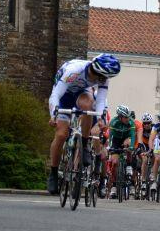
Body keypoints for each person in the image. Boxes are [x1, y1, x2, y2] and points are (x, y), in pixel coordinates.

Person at [47, 53, 121, 194]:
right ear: (97, 71)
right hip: (63, 95)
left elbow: (100, 100)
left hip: (81, 92)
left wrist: (100, 118)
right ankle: (54, 172)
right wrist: (53, 116)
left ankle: (85, 143)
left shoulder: (103, 77)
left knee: (88, 105)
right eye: (103, 77)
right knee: (61, 134)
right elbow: (55, 94)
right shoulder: (74, 71)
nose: (104, 80)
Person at [107, 105, 136, 199]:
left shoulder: (131, 122)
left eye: (128, 116)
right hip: (115, 140)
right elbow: (110, 136)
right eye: (126, 117)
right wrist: (110, 147)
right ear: (120, 117)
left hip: (126, 138)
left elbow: (132, 136)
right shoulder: (113, 122)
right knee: (115, 163)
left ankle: (128, 165)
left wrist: (131, 147)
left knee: (128, 145)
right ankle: (115, 186)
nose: (128, 118)